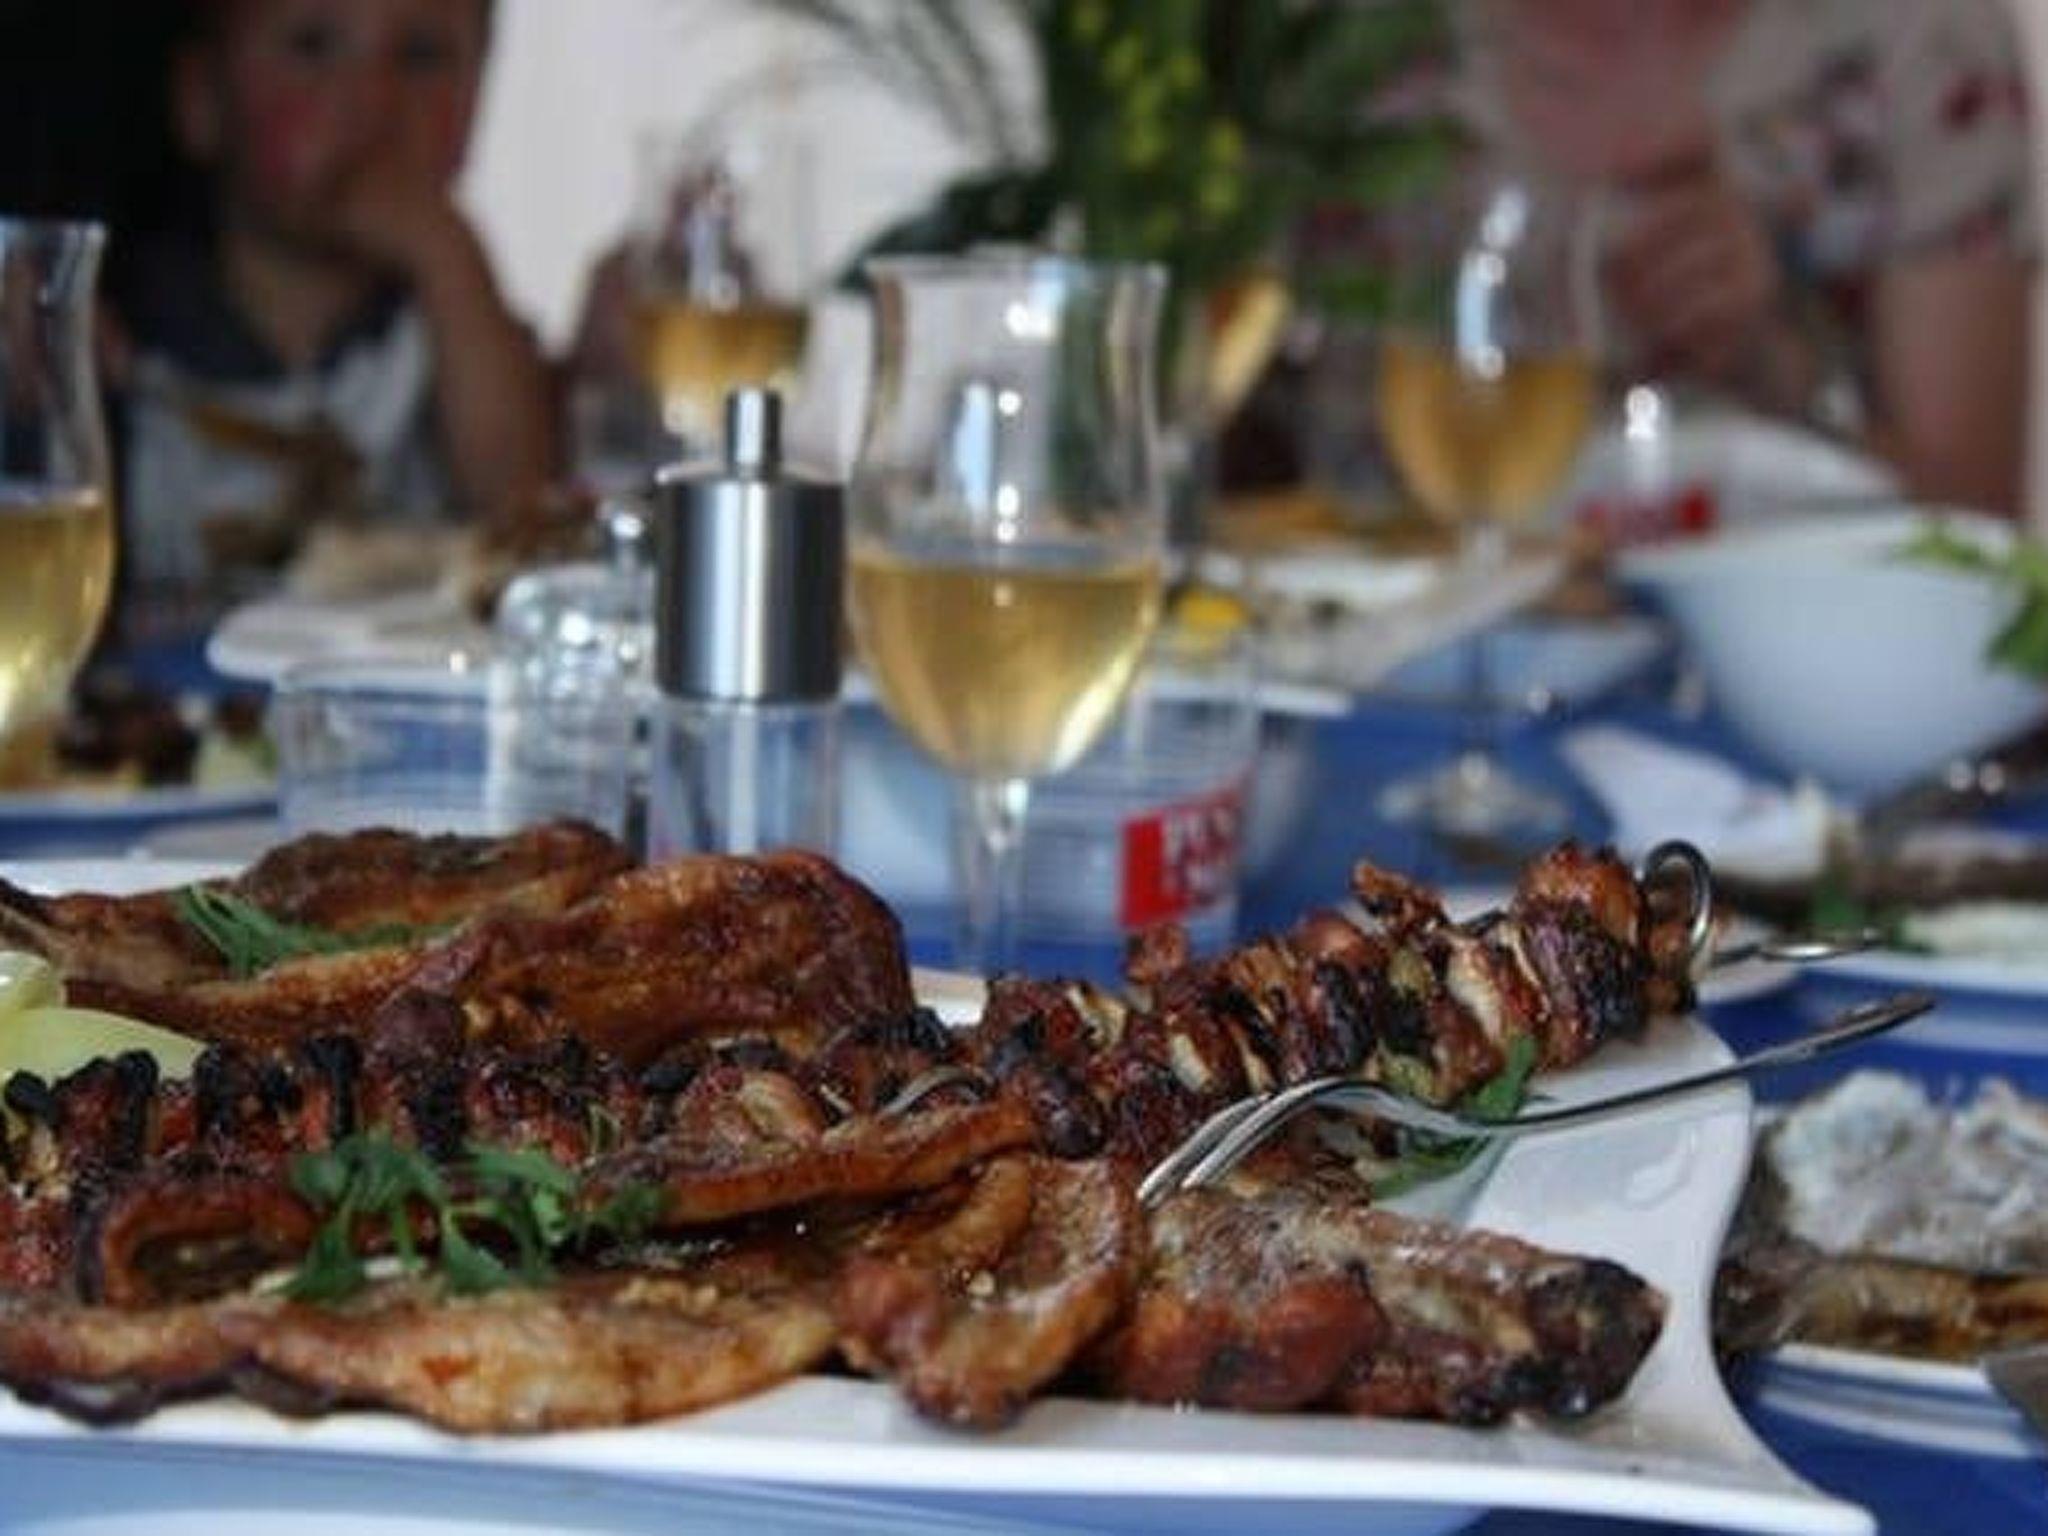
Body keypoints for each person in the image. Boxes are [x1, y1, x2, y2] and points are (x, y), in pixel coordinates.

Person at [1465, 0, 2037, 519]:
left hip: (1801, 592)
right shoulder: (1422, 44)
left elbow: (1975, 530)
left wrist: (1774, 361)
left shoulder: (1921, 33)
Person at [110, 0, 555, 627]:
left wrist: (449, 257)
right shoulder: (121, 326)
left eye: (422, 57)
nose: (374, 104)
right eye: (312, 47)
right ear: (202, 99)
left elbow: (518, 506)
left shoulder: (458, 329)